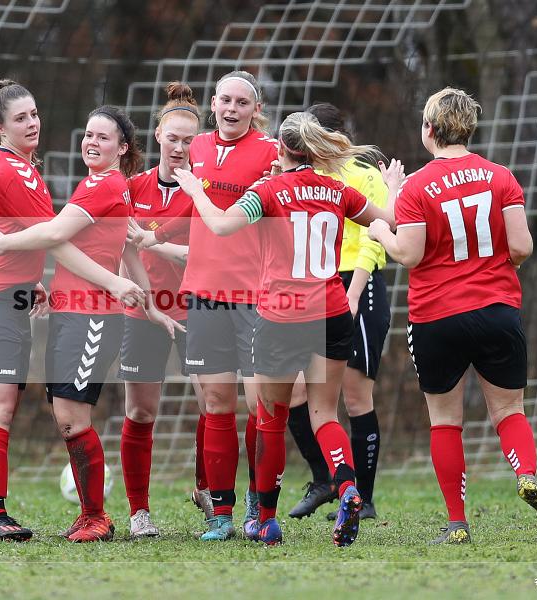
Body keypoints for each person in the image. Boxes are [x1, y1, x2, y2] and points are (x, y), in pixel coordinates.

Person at [172, 110, 403, 546]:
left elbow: (220, 226)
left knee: (270, 418)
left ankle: (267, 520)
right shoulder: (338, 190)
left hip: (282, 314)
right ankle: (349, 487)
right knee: (324, 414)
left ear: (280, 149)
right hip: (332, 311)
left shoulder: (268, 190)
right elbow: (386, 219)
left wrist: (192, 189)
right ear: (314, 149)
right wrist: (393, 188)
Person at [367, 87, 537, 544]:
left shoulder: (419, 184)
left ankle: (457, 523)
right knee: (509, 410)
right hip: (497, 309)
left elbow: (410, 253)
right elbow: (521, 247)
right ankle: (526, 474)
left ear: (430, 129)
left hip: (436, 316)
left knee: (445, 420)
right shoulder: (500, 177)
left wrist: (381, 228)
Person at [0, 105, 181, 543]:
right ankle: (92, 514)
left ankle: (97, 516)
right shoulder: (104, 186)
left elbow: (52, 235)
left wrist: (4, 241)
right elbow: (128, 249)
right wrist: (150, 307)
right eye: (88, 135)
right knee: (65, 413)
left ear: (122, 148)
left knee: (72, 416)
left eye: (104, 138)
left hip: (92, 317)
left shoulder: (105, 186)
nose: (92, 142)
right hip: (71, 313)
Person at [132, 71, 279, 541]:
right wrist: (153, 236)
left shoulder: (272, 152)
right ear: (213, 104)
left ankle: (260, 503)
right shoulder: (196, 150)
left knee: (262, 407)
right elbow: (191, 209)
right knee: (217, 403)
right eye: (225, 100)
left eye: (242, 102)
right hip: (205, 294)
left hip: (256, 296)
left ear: (255, 110)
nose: (232, 108)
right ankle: (221, 513)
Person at [286, 103, 391, 522]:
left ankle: (362, 498)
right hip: (314, 287)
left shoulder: (364, 176)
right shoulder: (302, 178)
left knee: (354, 394)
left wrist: (354, 291)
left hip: (355, 286)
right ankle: (327, 478)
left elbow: (375, 236)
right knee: (294, 391)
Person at [118, 82, 202, 538]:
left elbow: (207, 251)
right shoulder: (132, 188)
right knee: (141, 412)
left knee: (214, 406)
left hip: (195, 309)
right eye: (173, 138)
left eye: (189, 140)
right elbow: (120, 247)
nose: (180, 147)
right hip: (145, 312)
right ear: (158, 137)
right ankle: (139, 512)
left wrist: (156, 241)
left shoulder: (204, 191)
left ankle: (210, 492)